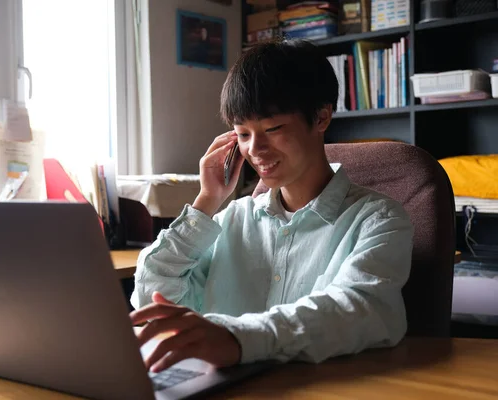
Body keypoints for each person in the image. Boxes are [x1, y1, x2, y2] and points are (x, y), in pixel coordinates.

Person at [130, 39, 414, 374]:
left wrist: (239, 339)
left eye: (273, 128)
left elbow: (359, 310)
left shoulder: (379, 220)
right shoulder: (233, 219)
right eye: (243, 134)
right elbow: (151, 296)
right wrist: (208, 200)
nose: (256, 149)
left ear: (321, 117)